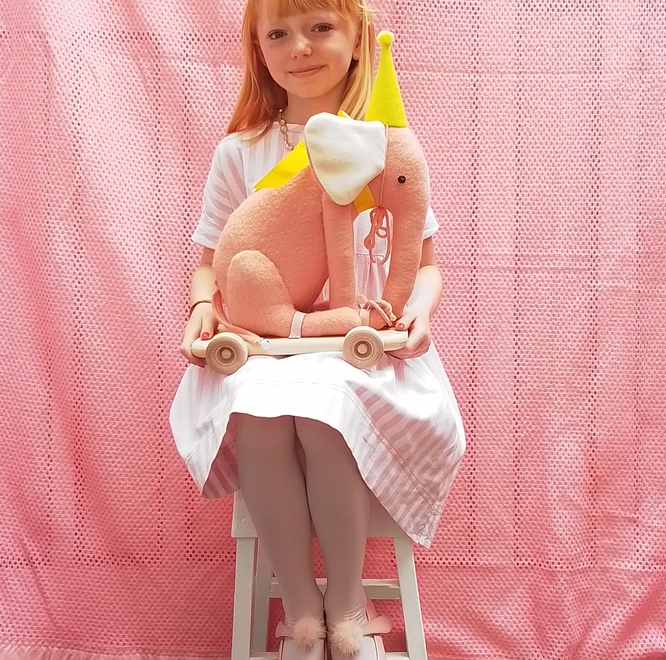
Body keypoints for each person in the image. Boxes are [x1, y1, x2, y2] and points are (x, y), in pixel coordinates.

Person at [170, 1, 465, 658]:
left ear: (358, 39)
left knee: (324, 410)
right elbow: (210, 262)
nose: (299, 47)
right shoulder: (242, 152)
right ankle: (303, 612)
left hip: (365, 352)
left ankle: (347, 605)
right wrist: (202, 307)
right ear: (259, 50)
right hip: (266, 348)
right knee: (259, 412)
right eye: (278, 33)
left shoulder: (385, 142)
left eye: (320, 27)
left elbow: (424, 263)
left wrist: (420, 311)